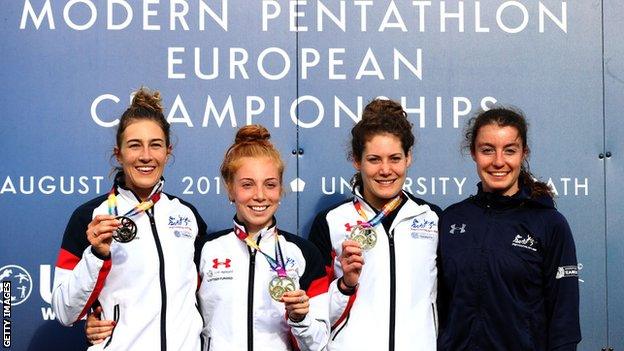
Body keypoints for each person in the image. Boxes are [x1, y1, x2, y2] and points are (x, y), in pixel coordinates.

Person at [52, 88, 205, 350]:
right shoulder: (89, 217)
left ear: (168, 152)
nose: (146, 156)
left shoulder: (188, 216)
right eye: (135, 145)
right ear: (119, 153)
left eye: (155, 145)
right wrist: (97, 255)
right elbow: (64, 312)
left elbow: (206, 300)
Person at [437, 107, 581, 350]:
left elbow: (564, 321)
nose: (498, 161)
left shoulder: (549, 223)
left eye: (510, 150)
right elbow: (438, 308)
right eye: (487, 150)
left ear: (524, 153)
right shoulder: (451, 219)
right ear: (473, 153)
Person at [308, 98, 442, 350]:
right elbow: (314, 314)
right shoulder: (331, 221)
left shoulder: (431, 218)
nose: (385, 169)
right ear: (356, 161)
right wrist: (344, 284)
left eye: (394, 158)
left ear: (408, 158)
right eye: (374, 159)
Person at [194, 124, 330, 350]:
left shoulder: (304, 253)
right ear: (230, 189)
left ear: (280, 190)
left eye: (270, 185)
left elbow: (318, 345)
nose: (260, 196)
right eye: (247, 185)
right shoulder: (204, 250)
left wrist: (300, 319)